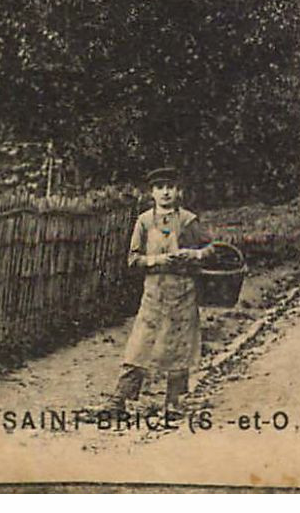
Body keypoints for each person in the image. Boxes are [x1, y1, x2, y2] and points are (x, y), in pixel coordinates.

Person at [109, 166, 214, 421]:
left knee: (180, 347)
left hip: (183, 291)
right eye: (160, 187)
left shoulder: (189, 220)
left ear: (178, 191)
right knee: (140, 343)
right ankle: (119, 400)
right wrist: (158, 259)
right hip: (154, 291)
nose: (165, 192)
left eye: (170, 187)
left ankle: (174, 402)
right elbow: (133, 260)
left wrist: (196, 254)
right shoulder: (144, 221)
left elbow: (212, 247)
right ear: (152, 193)